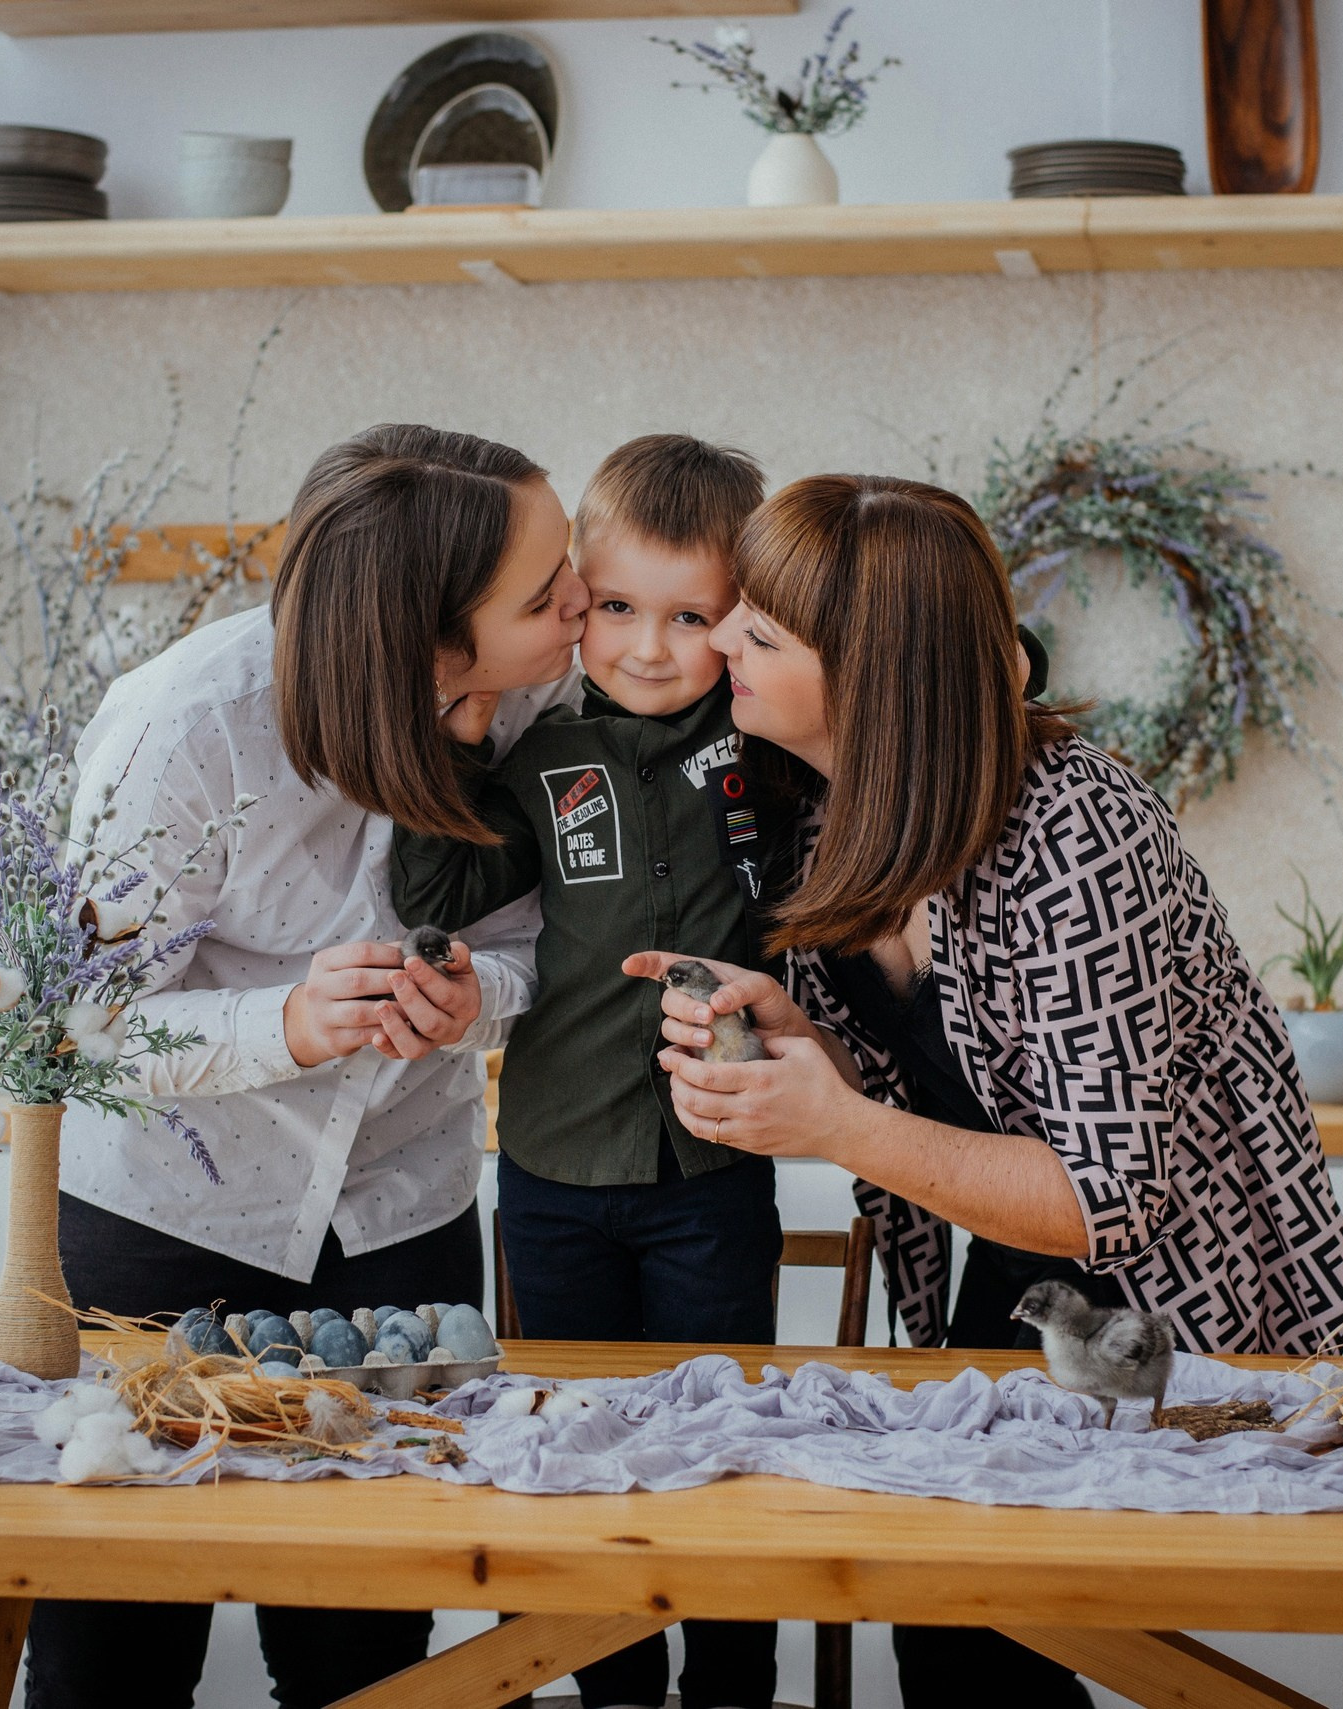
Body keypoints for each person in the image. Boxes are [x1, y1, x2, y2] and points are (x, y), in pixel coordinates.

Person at [631, 474, 1343, 1709]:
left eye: (757, 631)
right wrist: (793, 1030)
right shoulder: (825, 813)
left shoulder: (1072, 833)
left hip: (1187, 1303)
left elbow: (1109, 1198)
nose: (718, 646)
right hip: (1020, 1271)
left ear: (875, 672)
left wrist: (839, 1124)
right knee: (952, 1625)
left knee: (1000, 1626)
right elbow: (941, 1074)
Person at [30, 425, 590, 1709]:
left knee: (368, 1652)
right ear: (431, 636)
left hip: (406, 1216)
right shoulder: (187, 730)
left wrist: (468, 999)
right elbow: (76, 1024)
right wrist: (281, 1024)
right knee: (112, 1651)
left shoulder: (553, 703)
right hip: (161, 1223)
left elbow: (542, 944)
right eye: (546, 587)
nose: (582, 598)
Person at [389, 434, 789, 1709]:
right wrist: (454, 720)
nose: (648, 646)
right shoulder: (545, 758)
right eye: (615, 608)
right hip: (553, 1170)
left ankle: (729, 1690)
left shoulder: (772, 750)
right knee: (564, 1454)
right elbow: (441, 886)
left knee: (719, 1456)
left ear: (743, 620)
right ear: (577, 601)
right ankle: (604, 1691)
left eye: (690, 616)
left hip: (712, 1171)